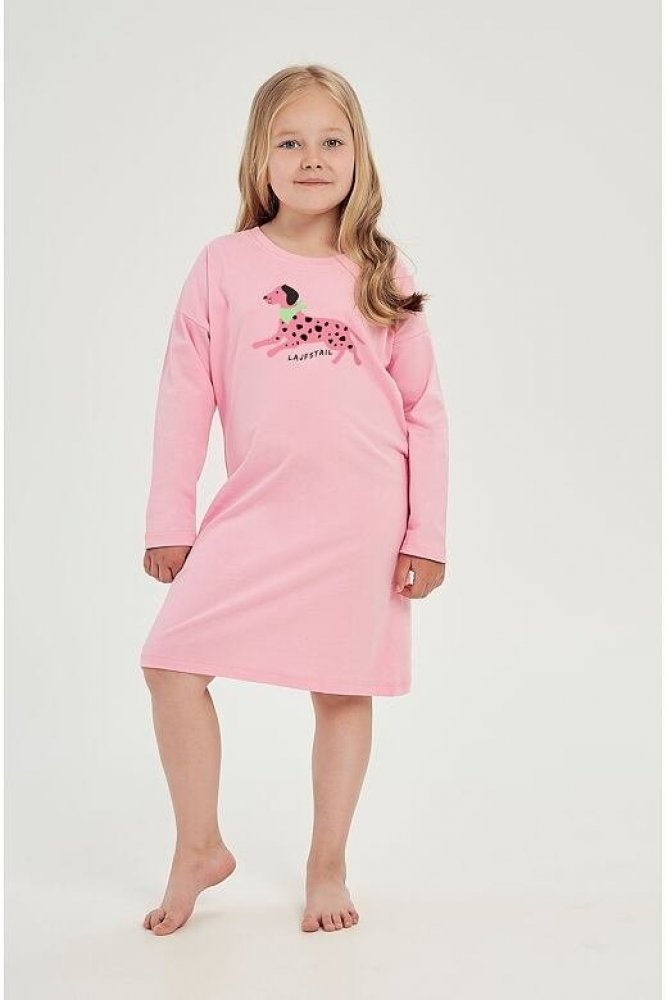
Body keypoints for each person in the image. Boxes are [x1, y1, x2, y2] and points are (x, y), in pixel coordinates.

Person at [139, 63, 450, 937]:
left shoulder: (381, 268)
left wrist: (425, 533)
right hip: (256, 509)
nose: (311, 159)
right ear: (260, 157)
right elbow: (183, 396)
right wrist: (170, 518)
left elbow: (424, 410)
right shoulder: (224, 265)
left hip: (362, 518)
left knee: (341, 688)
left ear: (358, 155)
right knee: (170, 664)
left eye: (330, 141)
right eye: (290, 141)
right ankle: (199, 845)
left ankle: (327, 863)